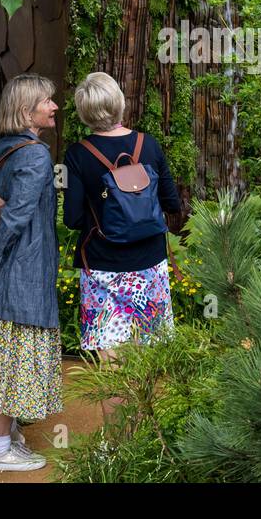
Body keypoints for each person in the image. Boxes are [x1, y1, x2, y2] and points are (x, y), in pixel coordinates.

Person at [0, 73, 61, 472]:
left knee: (8, 353)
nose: (54, 106)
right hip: (21, 270)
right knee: (17, 356)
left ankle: (11, 437)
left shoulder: (6, 148)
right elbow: (17, 214)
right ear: (26, 111)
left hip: (9, 270)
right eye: (47, 102)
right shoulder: (35, 155)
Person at [63, 72, 181, 361]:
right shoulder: (148, 144)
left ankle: (118, 408)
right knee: (148, 356)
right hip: (150, 263)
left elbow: (73, 219)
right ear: (119, 103)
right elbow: (172, 203)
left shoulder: (77, 155)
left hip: (103, 267)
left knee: (110, 357)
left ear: (84, 111)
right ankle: (143, 408)